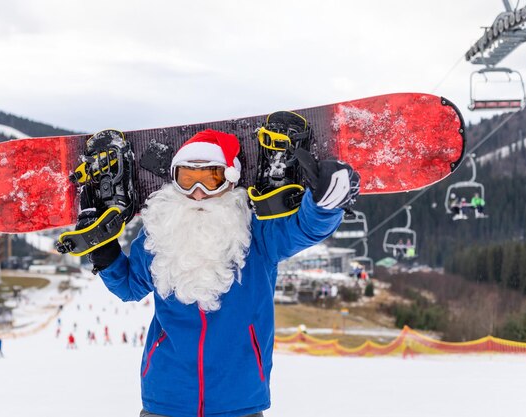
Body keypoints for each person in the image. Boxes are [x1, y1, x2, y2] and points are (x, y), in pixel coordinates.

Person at [83, 129, 358, 417]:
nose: (198, 193)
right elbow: (129, 286)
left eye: (211, 178)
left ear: (230, 179)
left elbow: (303, 229)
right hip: (166, 399)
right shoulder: (161, 234)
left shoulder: (257, 235)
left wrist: (325, 207)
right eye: (187, 179)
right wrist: (104, 252)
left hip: (239, 402)